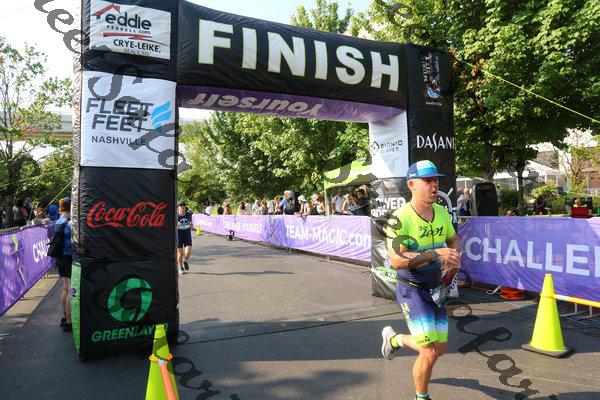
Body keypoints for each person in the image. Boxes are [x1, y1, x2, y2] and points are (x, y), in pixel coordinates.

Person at [381, 160, 461, 400]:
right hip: (412, 289)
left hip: (436, 288)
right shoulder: (400, 218)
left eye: (436, 180)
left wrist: (453, 256)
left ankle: (395, 339)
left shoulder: (442, 213)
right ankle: (421, 397)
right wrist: (436, 253)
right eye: (428, 180)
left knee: (439, 349)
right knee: (428, 351)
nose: (434, 185)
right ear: (412, 185)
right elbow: (397, 260)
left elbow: (453, 239)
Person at [55, 198, 73, 332]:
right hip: (69, 257)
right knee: (71, 289)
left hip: (60, 257)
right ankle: (69, 321)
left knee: (65, 287)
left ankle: (64, 316)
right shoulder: (71, 223)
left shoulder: (58, 221)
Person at [177, 203, 194, 275]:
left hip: (187, 236)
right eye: (181, 207)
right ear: (178, 208)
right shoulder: (175, 216)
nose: (182, 208)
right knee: (180, 253)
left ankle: (185, 261)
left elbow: (191, 222)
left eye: (183, 207)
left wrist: (191, 225)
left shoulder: (189, 214)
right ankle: (181, 268)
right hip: (178, 237)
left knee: (188, 253)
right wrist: (176, 226)